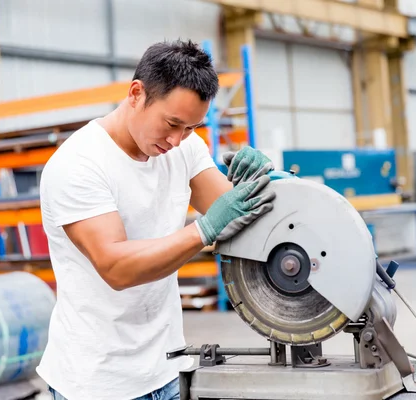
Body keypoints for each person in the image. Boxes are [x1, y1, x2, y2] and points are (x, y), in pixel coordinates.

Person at [36, 39, 276, 400]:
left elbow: (236, 212)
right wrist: (204, 230)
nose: (177, 140)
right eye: (172, 123)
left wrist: (265, 180)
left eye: (191, 128)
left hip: (167, 367)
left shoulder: (182, 147)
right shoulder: (79, 164)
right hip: (97, 382)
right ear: (136, 94)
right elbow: (116, 267)